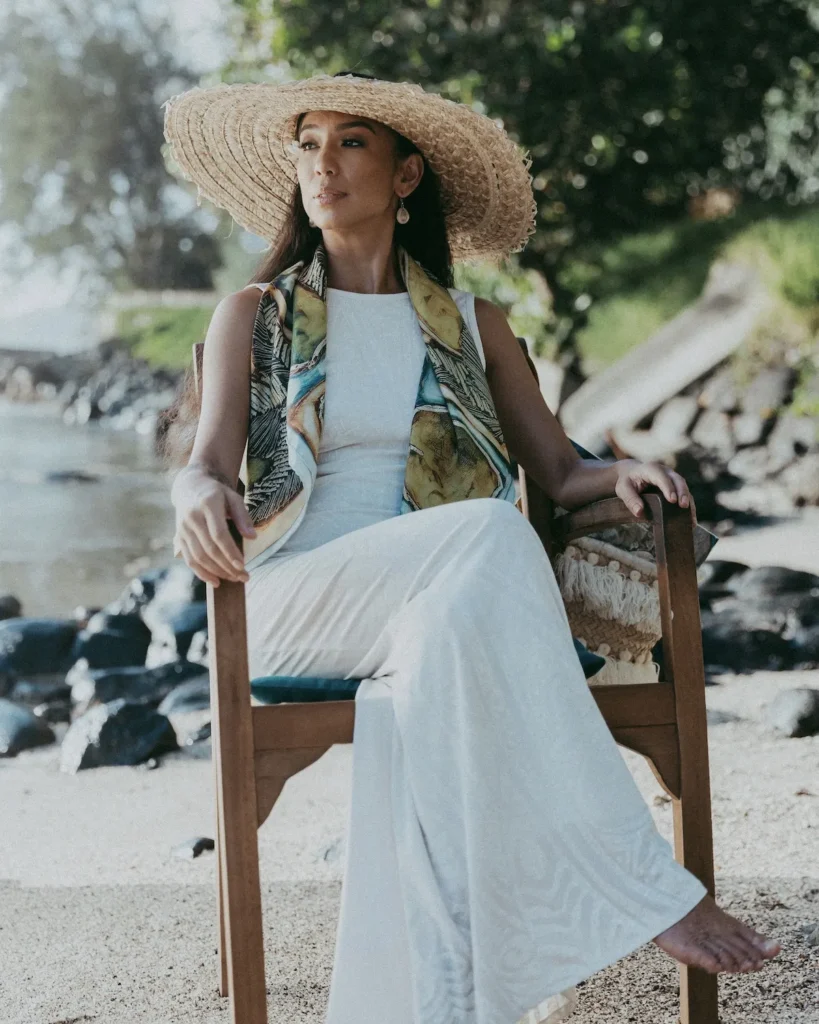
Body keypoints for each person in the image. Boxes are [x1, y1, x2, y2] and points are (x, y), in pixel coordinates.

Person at [161, 71, 781, 1024]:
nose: (321, 163)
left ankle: (454, 998)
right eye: (307, 143)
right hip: (296, 602)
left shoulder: (472, 324)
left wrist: (617, 479)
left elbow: (559, 469)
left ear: (406, 175)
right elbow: (206, 464)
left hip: (435, 606)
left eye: (350, 142)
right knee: (491, 531)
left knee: (455, 624)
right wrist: (193, 493)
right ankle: (647, 888)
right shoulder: (255, 315)